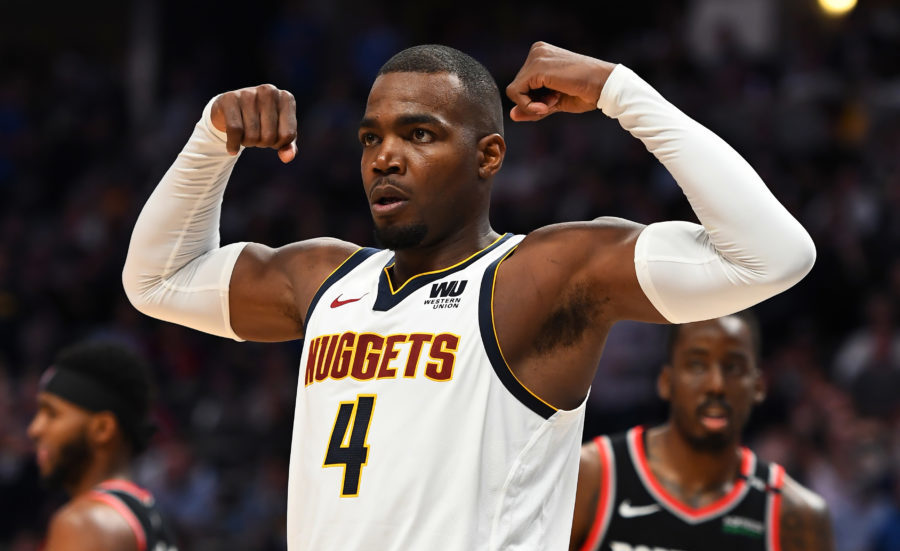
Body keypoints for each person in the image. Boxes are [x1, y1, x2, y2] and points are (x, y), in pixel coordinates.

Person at [122, 41, 816, 549]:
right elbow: (155, 280)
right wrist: (211, 140)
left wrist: (619, 90)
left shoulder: (539, 277)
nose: (384, 156)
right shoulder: (325, 279)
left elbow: (773, 254)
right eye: (372, 138)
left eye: (418, 133)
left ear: (488, 155)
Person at [569, 312, 834, 551]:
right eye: (697, 365)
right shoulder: (591, 476)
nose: (716, 385)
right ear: (666, 382)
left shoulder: (798, 517)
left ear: (758, 386)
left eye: (733, 367)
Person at [27, 341, 178, 551]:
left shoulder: (87, 523)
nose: (34, 429)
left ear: (103, 429)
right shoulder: (146, 512)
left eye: (52, 414)